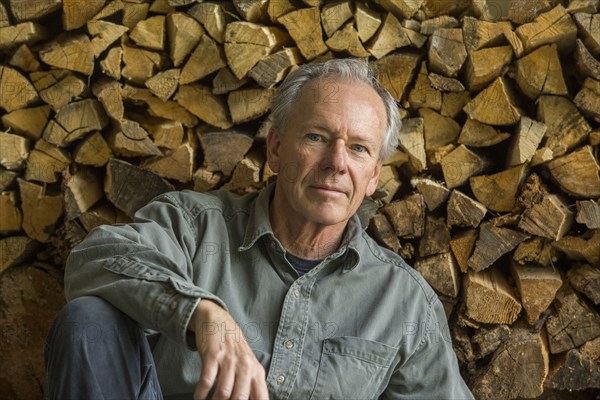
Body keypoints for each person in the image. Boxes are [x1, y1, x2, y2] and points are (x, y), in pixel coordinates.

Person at [44, 58, 474, 400]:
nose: (337, 162)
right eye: (317, 137)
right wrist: (200, 315)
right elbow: (94, 260)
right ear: (276, 148)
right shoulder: (194, 227)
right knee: (90, 321)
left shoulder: (404, 304)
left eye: (358, 148)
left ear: (375, 175)